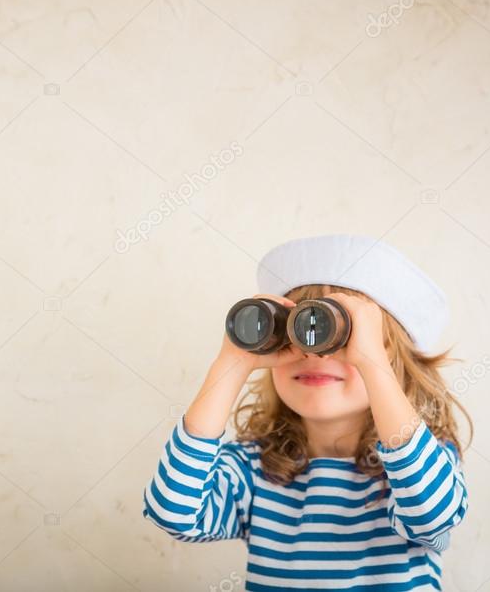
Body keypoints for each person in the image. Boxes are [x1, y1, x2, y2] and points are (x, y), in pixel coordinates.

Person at [142, 234, 471, 591]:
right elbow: (173, 513)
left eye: (342, 337)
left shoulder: (419, 464)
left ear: (392, 365)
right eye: (296, 331)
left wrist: (371, 361)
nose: (315, 353)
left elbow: (432, 517)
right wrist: (232, 363)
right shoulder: (255, 467)